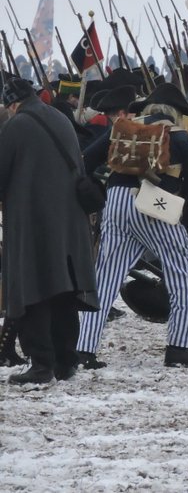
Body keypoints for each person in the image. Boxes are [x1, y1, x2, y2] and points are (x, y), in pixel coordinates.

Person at [77, 84, 188, 368]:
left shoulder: (123, 128)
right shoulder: (180, 137)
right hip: (153, 203)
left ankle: (84, 349)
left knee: (106, 277)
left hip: (116, 201)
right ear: (178, 114)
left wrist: (95, 189)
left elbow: (86, 160)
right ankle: (179, 346)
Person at [0, 78, 98, 384]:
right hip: (69, 222)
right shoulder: (59, 117)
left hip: (34, 222)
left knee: (34, 291)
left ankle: (41, 364)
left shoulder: (16, 126)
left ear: (12, 104)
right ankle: (65, 361)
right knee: (63, 291)